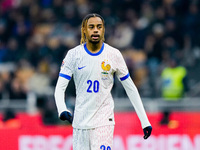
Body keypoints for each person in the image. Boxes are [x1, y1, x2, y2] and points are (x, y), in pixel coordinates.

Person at [54, 13, 152, 150]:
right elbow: (59, 88)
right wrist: (62, 109)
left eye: (99, 27)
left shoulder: (114, 55)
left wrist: (144, 121)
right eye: (91, 27)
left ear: (103, 30)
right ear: (84, 30)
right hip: (80, 123)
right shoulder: (73, 55)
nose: (95, 30)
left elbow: (131, 88)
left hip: (104, 122)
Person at [160, 58, 188, 125]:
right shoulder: (166, 71)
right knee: (166, 113)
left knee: (179, 114)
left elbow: (185, 82)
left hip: (178, 97)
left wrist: (185, 92)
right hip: (167, 97)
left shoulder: (181, 71)